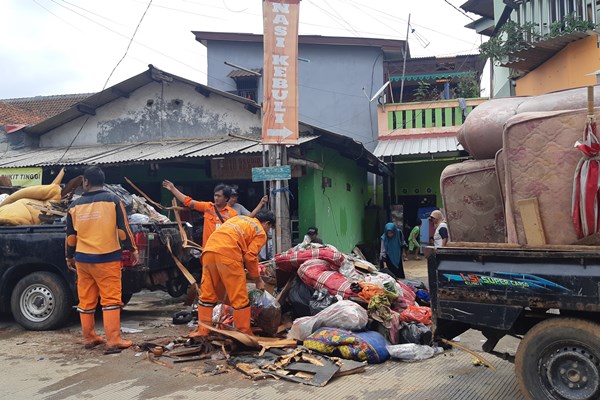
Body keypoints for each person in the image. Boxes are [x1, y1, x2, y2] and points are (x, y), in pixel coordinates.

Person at [66, 166, 138, 351]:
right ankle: (113, 340)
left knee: (87, 300)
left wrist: (69, 257)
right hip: (107, 259)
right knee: (111, 299)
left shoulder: (74, 206)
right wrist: (133, 249)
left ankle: (90, 338)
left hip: (82, 260)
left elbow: (70, 237)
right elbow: (124, 230)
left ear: (86, 182)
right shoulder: (113, 200)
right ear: (102, 182)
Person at [190, 210, 276, 337]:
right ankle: (244, 333)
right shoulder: (260, 232)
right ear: (267, 223)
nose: (268, 231)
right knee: (239, 298)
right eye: (269, 228)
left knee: (207, 295)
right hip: (228, 254)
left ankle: (203, 331)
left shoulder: (239, 219)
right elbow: (251, 257)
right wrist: (257, 279)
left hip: (209, 252)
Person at [162, 180, 237, 246]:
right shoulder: (207, 207)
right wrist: (173, 189)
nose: (216, 198)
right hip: (208, 250)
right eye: (215, 195)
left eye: (219, 196)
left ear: (226, 198)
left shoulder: (233, 214)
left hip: (225, 251)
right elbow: (188, 202)